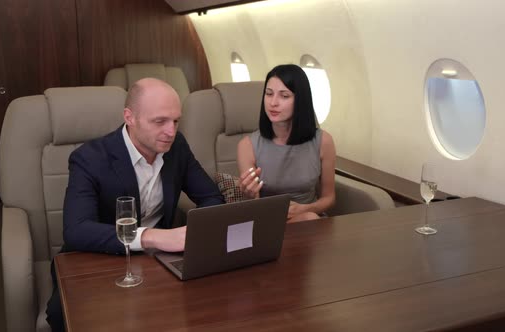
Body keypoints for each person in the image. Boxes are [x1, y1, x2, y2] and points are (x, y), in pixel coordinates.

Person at [46, 78, 225, 331]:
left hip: (155, 260)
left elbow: (211, 196)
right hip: (97, 257)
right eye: (159, 121)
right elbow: (76, 230)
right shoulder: (89, 158)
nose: (171, 131)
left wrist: (198, 234)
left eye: (176, 121)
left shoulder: (177, 147)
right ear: (129, 117)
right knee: (60, 312)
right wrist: (153, 237)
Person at [237, 64, 336, 223]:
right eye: (269, 94)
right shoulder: (247, 145)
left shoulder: (324, 141)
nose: (273, 103)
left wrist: (305, 209)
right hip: (267, 221)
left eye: (284, 96)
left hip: (311, 220)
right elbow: (252, 207)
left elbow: (329, 198)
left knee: (309, 219)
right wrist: (248, 195)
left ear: (300, 100)